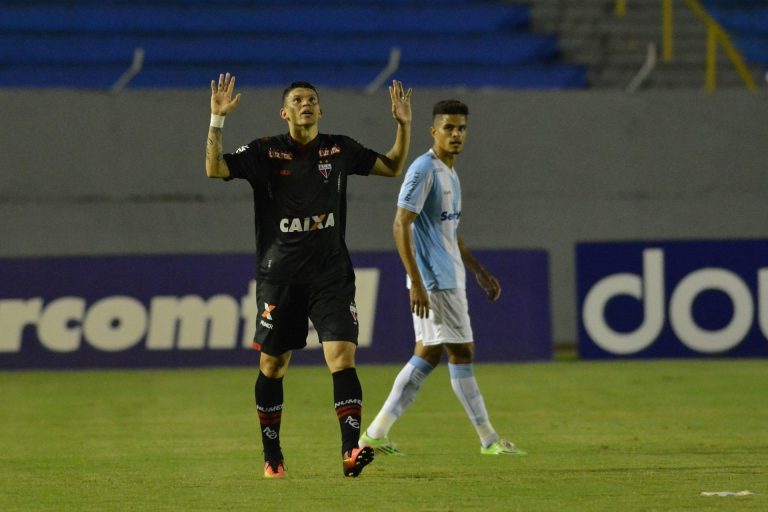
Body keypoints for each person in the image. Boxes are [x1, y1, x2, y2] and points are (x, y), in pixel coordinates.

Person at [205, 73, 413, 478]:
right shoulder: (265, 151)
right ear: (285, 112)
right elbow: (215, 169)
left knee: (342, 356)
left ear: (320, 109)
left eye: (312, 99)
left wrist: (403, 126)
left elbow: (391, 166)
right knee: (273, 367)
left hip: (330, 275)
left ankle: (351, 451)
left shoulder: (339, 149)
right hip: (279, 278)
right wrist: (217, 120)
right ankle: (272, 456)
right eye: (298, 99)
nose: (306, 104)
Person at [359, 99, 526, 457]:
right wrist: (416, 281)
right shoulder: (424, 169)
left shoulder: (450, 172)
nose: (456, 134)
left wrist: (478, 270)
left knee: (430, 354)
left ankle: (375, 433)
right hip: (435, 280)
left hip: (449, 276)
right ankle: (489, 439)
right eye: (448, 128)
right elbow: (400, 223)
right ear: (433, 131)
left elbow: (448, 231)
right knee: (461, 351)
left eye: (461, 128)